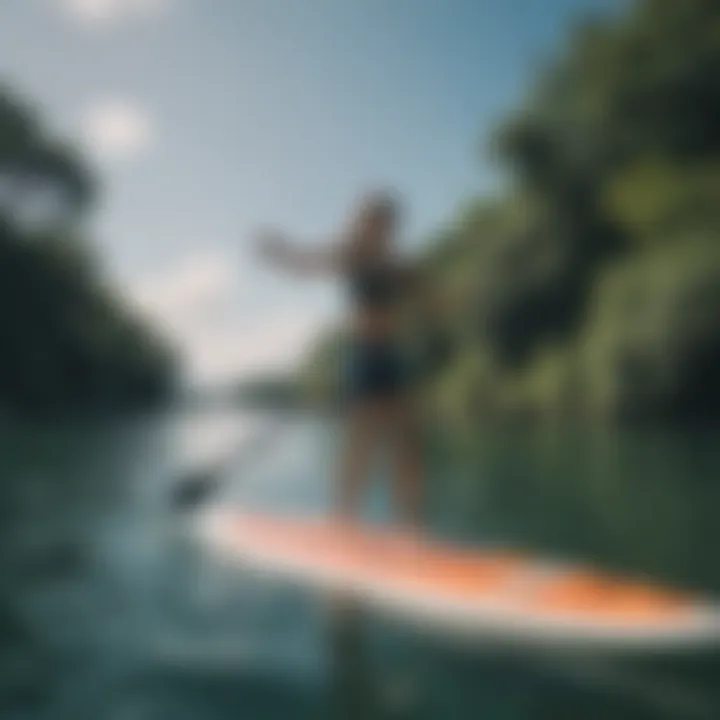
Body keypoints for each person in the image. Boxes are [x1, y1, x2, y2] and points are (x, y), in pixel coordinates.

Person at [256, 191, 426, 531]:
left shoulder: (395, 267)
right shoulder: (350, 254)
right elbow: (307, 263)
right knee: (361, 443)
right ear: (364, 222)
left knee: (407, 442)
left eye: (386, 222)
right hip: (363, 356)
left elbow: (427, 296)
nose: (379, 227)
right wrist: (280, 253)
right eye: (372, 220)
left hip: (392, 355)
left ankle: (411, 527)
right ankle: (343, 521)